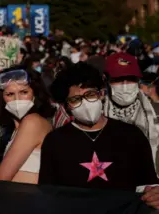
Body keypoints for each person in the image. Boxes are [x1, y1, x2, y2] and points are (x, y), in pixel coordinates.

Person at [40, 62, 159, 208]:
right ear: (66, 106)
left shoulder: (132, 135)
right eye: (75, 99)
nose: (85, 103)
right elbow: (48, 194)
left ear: (101, 93)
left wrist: (154, 195)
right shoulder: (55, 141)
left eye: (90, 94)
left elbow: (149, 185)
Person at [0, 67, 54, 184]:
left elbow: (2, 176)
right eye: (10, 94)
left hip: (28, 199)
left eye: (24, 92)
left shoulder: (32, 122)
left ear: (35, 93)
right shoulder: (14, 128)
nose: (17, 99)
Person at [102, 53, 159, 169]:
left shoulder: (155, 111)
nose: (125, 85)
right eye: (118, 79)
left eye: (131, 79)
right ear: (107, 81)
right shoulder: (97, 114)